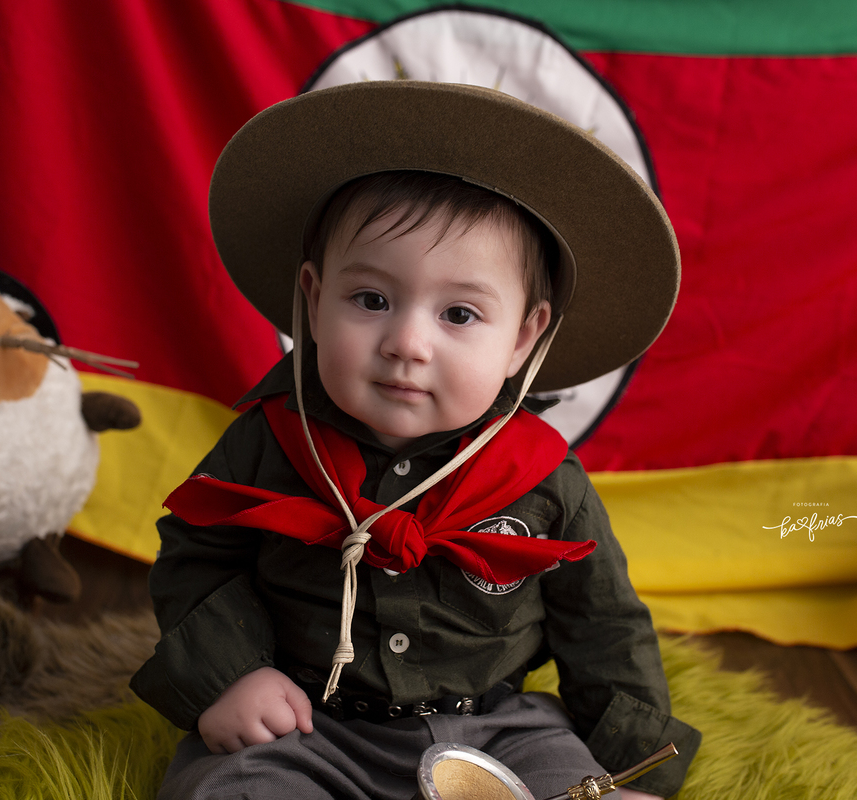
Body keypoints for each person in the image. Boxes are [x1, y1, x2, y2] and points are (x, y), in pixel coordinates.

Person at [131, 81, 701, 800]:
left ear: (524, 339)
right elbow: (194, 557)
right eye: (371, 300)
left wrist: (635, 763)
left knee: (571, 789)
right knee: (236, 787)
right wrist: (233, 675)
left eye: (459, 314)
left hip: (498, 727)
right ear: (312, 298)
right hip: (310, 724)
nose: (407, 343)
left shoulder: (542, 478)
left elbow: (603, 624)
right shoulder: (270, 441)